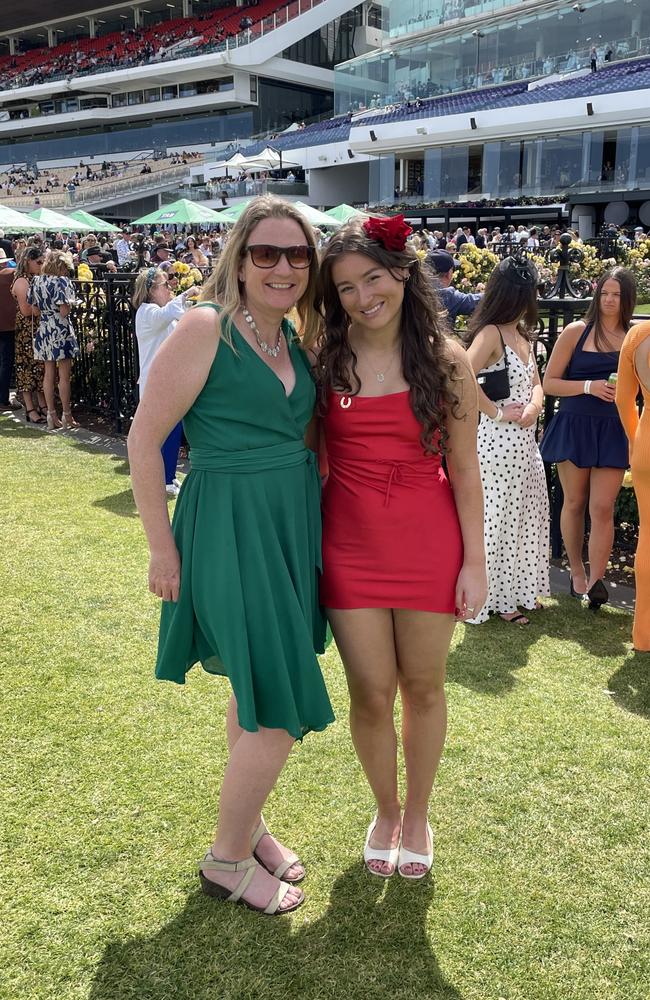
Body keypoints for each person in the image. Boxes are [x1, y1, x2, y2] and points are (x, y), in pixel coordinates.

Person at [127, 196, 334, 915]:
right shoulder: (205, 326)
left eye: (298, 255)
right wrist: (160, 546)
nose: (283, 267)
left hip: (285, 526)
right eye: (267, 254)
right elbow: (143, 439)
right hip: (226, 527)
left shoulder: (295, 335)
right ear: (240, 259)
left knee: (251, 690)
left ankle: (250, 831)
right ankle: (224, 859)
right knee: (278, 703)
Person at [315, 215, 486, 880]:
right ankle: (384, 809)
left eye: (372, 278)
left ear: (403, 273)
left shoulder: (448, 360)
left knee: (425, 687)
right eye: (347, 287)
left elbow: (466, 470)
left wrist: (474, 562)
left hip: (428, 544)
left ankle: (417, 813)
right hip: (350, 547)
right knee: (369, 690)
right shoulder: (325, 356)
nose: (363, 296)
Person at [541, 267, 636, 607]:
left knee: (602, 507)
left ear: (627, 299)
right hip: (575, 425)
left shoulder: (634, 337)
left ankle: (597, 581)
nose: (610, 300)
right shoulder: (576, 331)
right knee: (576, 502)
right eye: (605, 293)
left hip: (614, 428)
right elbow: (549, 382)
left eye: (617, 295)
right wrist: (589, 386)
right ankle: (576, 571)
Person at [465, 257, 550, 625]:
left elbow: (536, 383)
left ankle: (517, 590)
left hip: (526, 445)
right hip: (497, 445)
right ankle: (494, 599)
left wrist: (534, 405)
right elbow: (462, 377)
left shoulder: (522, 336)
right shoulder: (491, 334)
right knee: (497, 520)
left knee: (525, 518)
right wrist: (497, 412)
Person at [132, 267, 199, 497]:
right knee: (164, 433)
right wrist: (187, 292)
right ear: (151, 290)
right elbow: (167, 315)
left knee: (171, 431)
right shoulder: (147, 311)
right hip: (155, 384)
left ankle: (168, 477)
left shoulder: (161, 312)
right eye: (165, 285)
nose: (169, 288)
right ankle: (165, 480)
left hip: (168, 382)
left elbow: (180, 320)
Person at [616, 322, 650, 651]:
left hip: (647, 444)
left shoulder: (638, 336)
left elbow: (623, 398)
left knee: (648, 537)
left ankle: (644, 635)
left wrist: (635, 436)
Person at [28, 249, 79, 430]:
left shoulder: (36, 281)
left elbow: (34, 310)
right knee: (64, 377)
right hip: (60, 329)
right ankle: (67, 415)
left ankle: (51, 415)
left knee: (48, 375)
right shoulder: (62, 282)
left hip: (44, 328)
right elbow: (64, 311)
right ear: (61, 266)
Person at [12, 247, 46, 424]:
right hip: (27, 331)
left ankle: (42, 405)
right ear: (28, 262)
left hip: (37, 329)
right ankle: (30, 408)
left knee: (40, 368)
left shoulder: (36, 279)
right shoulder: (22, 281)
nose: (41, 265)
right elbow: (26, 311)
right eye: (38, 262)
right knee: (27, 369)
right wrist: (46, 309)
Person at [427, 249, 481, 327]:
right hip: (439, 338)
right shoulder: (448, 296)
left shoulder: (414, 288)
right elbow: (477, 301)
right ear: (449, 273)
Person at [0, 250, 19, 410]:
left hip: (6, 325)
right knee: (6, 363)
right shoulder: (9, 274)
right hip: (8, 326)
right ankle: (2, 400)